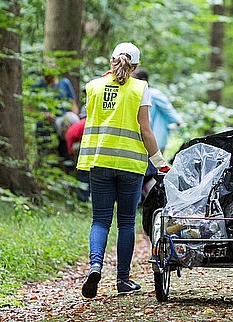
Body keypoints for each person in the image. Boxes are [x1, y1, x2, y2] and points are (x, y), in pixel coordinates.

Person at [77, 42, 171, 298]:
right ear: (136, 66)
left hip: (100, 161)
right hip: (130, 164)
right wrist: (161, 163)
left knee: (100, 220)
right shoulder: (140, 88)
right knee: (126, 221)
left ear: (111, 60)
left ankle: (95, 266)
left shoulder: (93, 87)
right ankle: (122, 280)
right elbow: (145, 130)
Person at [31, 59, 80, 165]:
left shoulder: (65, 83)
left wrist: (70, 121)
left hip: (63, 127)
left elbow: (74, 107)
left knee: (67, 156)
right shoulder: (37, 85)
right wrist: (43, 115)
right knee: (46, 158)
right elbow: (29, 109)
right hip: (44, 127)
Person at [131, 67, 184, 153]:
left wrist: (178, 121)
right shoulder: (135, 94)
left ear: (143, 80)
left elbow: (167, 108)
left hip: (156, 134)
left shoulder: (154, 94)